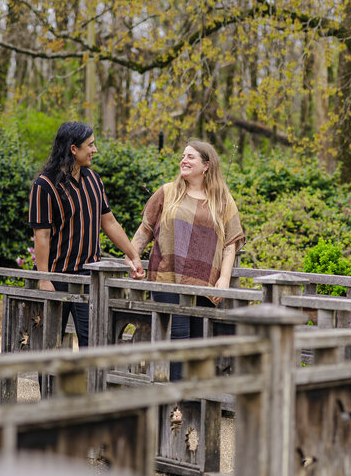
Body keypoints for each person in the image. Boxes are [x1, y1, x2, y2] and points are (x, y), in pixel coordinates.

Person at [132, 140, 245, 380]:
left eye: (190, 157)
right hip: (167, 277)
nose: (183, 160)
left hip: (203, 283)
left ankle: (191, 404)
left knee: (197, 346)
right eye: (183, 156)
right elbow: (145, 230)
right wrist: (133, 259)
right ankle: (175, 404)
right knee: (177, 336)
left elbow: (230, 244)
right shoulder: (167, 192)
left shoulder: (222, 199)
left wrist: (224, 279)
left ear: (206, 165)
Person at [28, 121, 144, 346]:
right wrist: (43, 278)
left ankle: (91, 384)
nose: (95, 150)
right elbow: (41, 235)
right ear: (73, 149)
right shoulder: (44, 185)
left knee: (94, 343)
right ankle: (51, 384)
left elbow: (109, 222)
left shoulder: (94, 180)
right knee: (49, 345)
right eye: (90, 145)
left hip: (89, 278)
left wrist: (133, 255)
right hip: (57, 277)